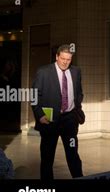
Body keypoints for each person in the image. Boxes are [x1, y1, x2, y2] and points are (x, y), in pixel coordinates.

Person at [31, 45, 84, 180]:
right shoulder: (43, 72)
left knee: (73, 153)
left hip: (70, 121)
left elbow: (78, 93)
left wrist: (77, 109)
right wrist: (39, 115)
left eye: (69, 59)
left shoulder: (76, 71)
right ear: (56, 57)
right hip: (50, 121)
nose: (65, 62)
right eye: (63, 58)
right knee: (47, 157)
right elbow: (34, 95)